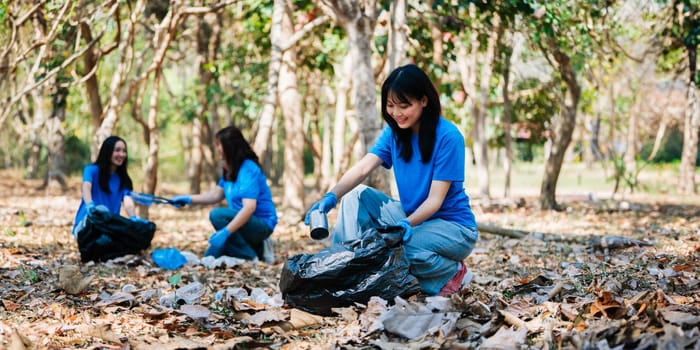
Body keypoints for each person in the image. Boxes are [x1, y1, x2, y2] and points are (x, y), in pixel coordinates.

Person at [304, 64, 478, 296]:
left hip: (453, 226)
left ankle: (451, 272)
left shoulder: (448, 137)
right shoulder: (395, 132)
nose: (396, 113)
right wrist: (331, 196)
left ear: (424, 101)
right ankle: (341, 268)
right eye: (390, 105)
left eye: (404, 105)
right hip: (411, 217)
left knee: (396, 252)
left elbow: (435, 201)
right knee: (356, 196)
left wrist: (407, 224)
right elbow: (363, 167)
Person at [171, 126, 278, 263]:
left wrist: (226, 231)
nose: (217, 149)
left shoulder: (248, 169)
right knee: (210, 256)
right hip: (241, 223)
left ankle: (250, 257)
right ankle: (259, 248)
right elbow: (215, 196)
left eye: (218, 145)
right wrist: (188, 199)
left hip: (261, 224)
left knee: (217, 215)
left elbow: (249, 207)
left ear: (229, 146)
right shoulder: (231, 168)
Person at [72, 136, 154, 262]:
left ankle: (107, 251)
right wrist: (90, 205)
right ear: (107, 151)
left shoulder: (123, 179)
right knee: (101, 210)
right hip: (89, 225)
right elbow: (86, 187)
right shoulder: (91, 170)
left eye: (124, 151)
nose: (121, 154)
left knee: (147, 228)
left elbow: (127, 201)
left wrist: (133, 218)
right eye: (117, 150)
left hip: (109, 227)